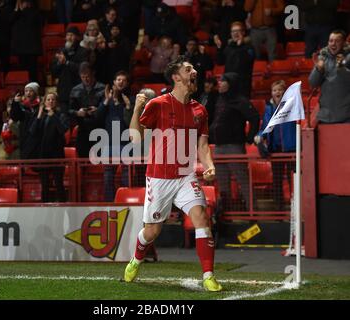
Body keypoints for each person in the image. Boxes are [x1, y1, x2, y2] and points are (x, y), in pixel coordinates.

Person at [125, 56, 222, 292]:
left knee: (201, 217)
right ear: (176, 77)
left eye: (194, 68)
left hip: (186, 176)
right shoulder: (157, 104)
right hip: (159, 178)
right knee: (152, 231)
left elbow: (202, 146)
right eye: (188, 69)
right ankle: (136, 259)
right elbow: (134, 137)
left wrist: (209, 165)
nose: (194, 71)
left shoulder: (200, 110)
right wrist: (137, 108)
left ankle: (208, 275)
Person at [210, 72, 259, 211]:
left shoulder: (241, 101)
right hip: (219, 147)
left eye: (223, 81)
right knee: (222, 182)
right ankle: (226, 213)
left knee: (242, 179)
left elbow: (254, 118)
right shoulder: (220, 99)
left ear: (230, 84)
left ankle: (252, 211)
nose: (219, 83)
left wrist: (249, 138)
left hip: (234, 147)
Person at [254, 80, 295, 210]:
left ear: (284, 91)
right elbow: (266, 127)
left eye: (279, 89)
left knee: (293, 181)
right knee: (277, 181)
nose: (277, 92)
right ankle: (279, 209)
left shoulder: (292, 105)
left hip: (291, 150)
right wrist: (260, 136)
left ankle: (296, 207)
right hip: (275, 149)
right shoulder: (269, 108)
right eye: (274, 90)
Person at [96, 70, 133, 202]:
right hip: (109, 144)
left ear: (127, 83)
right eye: (118, 80)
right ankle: (110, 204)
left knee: (126, 178)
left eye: (123, 80)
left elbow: (129, 122)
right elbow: (98, 118)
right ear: (114, 82)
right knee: (108, 178)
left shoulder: (129, 99)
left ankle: (125, 201)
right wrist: (106, 100)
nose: (121, 82)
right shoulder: (106, 99)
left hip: (125, 145)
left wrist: (127, 106)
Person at [29, 92, 69, 202]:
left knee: (58, 183)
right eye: (48, 100)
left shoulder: (61, 115)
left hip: (57, 154)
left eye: (53, 100)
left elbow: (62, 130)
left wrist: (54, 116)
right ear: (44, 102)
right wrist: (39, 115)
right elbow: (32, 131)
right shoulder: (40, 115)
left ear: (56, 102)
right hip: (43, 155)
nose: (50, 101)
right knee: (45, 185)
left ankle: (62, 206)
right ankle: (45, 208)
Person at [309, 30, 350, 124]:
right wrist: (318, 69)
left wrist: (341, 68)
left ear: (344, 43)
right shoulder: (322, 57)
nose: (333, 44)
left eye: (337, 41)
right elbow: (313, 83)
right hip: (325, 117)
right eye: (331, 41)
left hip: (346, 117)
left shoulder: (348, 57)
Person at [68, 62, 105, 158]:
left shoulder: (102, 88)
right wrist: (78, 112)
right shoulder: (75, 90)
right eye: (83, 77)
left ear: (93, 74)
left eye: (87, 76)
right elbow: (69, 111)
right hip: (83, 129)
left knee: (99, 159)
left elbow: (107, 109)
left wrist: (98, 110)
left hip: (99, 128)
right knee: (82, 157)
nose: (85, 79)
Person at [50, 26, 90, 114]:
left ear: (77, 37)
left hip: (78, 89)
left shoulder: (83, 51)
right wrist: (60, 63)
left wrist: (67, 62)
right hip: (63, 91)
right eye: (67, 35)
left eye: (72, 35)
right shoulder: (61, 51)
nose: (69, 38)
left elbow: (82, 69)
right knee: (64, 117)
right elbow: (53, 71)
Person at [217, 21, 255, 98]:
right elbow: (220, 62)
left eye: (238, 31)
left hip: (243, 84)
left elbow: (247, 61)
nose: (235, 33)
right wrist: (219, 48)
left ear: (243, 32)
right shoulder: (228, 47)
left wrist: (239, 46)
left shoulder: (249, 47)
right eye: (233, 31)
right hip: (228, 83)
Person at [10, 0, 42, 82]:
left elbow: (33, 21)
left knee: (32, 71)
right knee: (23, 71)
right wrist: (17, 10)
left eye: (23, 2)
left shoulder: (35, 12)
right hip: (21, 48)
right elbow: (10, 21)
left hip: (32, 48)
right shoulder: (17, 14)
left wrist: (23, 10)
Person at [10, 82, 41, 159]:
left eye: (31, 91)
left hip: (38, 139)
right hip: (25, 138)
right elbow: (15, 117)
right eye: (26, 91)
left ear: (36, 92)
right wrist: (15, 103)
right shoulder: (22, 106)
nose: (28, 93)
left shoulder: (41, 106)